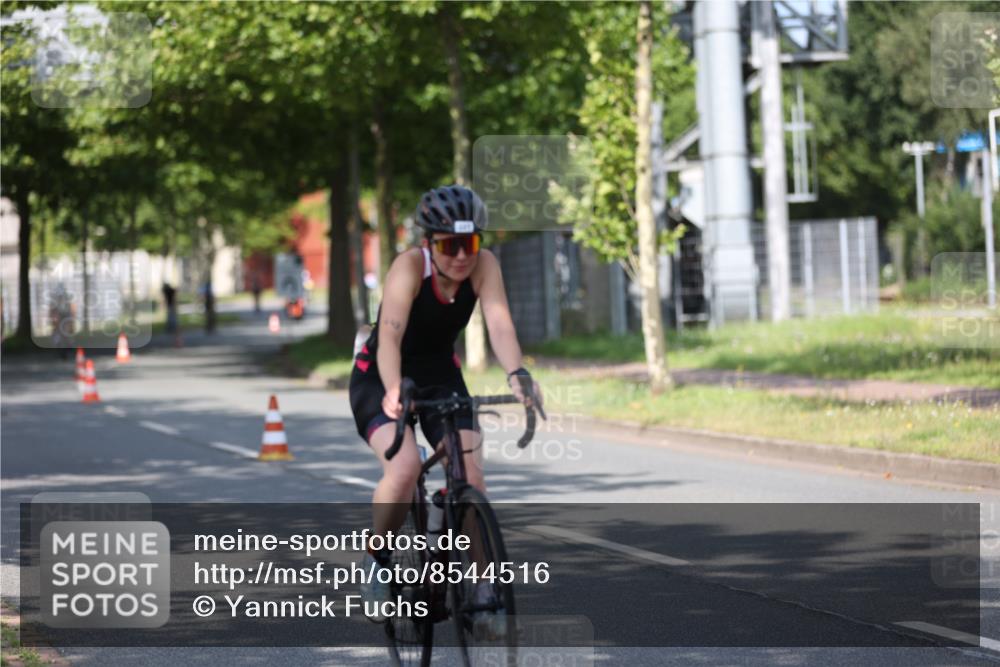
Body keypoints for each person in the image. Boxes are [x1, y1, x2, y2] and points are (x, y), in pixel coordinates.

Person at [350, 185, 542, 627]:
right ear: (429, 243)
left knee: (471, 474)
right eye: (449, 246)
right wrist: (395, 388)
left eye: (469, 243)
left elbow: (500, 324)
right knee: (403, 470)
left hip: (439, 374)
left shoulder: (485, 265)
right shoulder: (408, 267)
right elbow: (391, 337)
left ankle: (482, 589)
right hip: (380, 373)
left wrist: (518, 375)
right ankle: (376, 562)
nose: (461, 256)